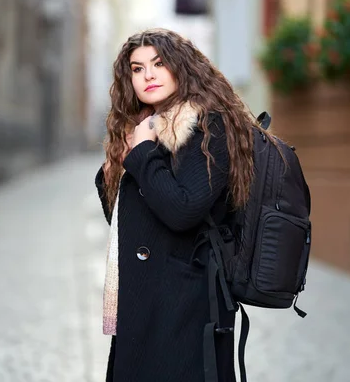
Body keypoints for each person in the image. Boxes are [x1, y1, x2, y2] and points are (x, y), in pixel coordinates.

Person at [94, 28, 260, 382]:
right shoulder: (144, 128)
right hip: (146, 301)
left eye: (158, 63)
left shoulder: (206, 126)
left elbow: (183, 210)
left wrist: (142, 155)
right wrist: (114, 168)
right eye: (137, 69)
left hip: (184, 304)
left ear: (181, 67)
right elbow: (128, 222)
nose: (148, 75)